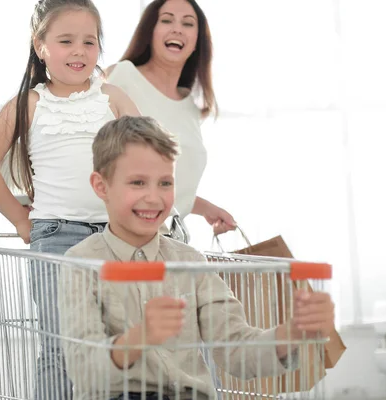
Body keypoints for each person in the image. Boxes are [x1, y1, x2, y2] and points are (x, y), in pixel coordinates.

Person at [58, 116, 335, 400]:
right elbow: (83, 369)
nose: (154, 198)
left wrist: (292, 332)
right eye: (138, 182)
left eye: (165, 183)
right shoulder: (81, 264)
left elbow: (236, 349)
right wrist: (139, 338)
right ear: (101, 186)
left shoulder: (190, 263)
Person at [0, 1, 140, 399]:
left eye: (89, 41)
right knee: (60, 345)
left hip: (117, 239)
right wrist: (19, 219)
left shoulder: (112, 98)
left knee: (124, 343)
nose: (79, 51)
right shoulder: (29, 104)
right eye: (65, 41)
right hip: (56, 239)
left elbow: (146, 156)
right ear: (40, 45)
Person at [105, 0, 236, 237]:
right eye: (166, 20)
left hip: (171, 243)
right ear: (150, 31)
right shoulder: (122, 77)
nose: (177, 28)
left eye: (188, 23)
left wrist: (206, 208)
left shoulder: (190, 106)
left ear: (197, 41)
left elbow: (166, 181)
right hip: (124, 241)